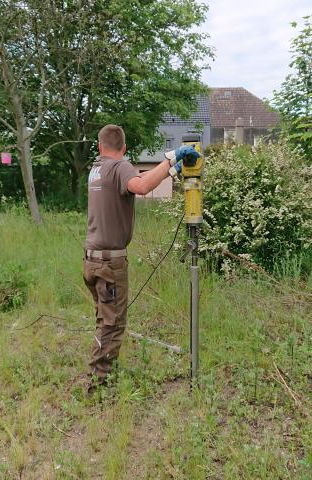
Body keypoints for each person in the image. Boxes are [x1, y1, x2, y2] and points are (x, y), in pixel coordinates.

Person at [81, 124, 198, 392]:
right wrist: (172, 158)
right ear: (124, 149)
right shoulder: (120, 166)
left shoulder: (96, 169)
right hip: (110, 264)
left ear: (100, 147)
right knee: (112, 324)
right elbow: (141, 185)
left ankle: (104, 371)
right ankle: (98, 385)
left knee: (103, 319)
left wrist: (169, 172)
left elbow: (134, 180)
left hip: (91, 260)